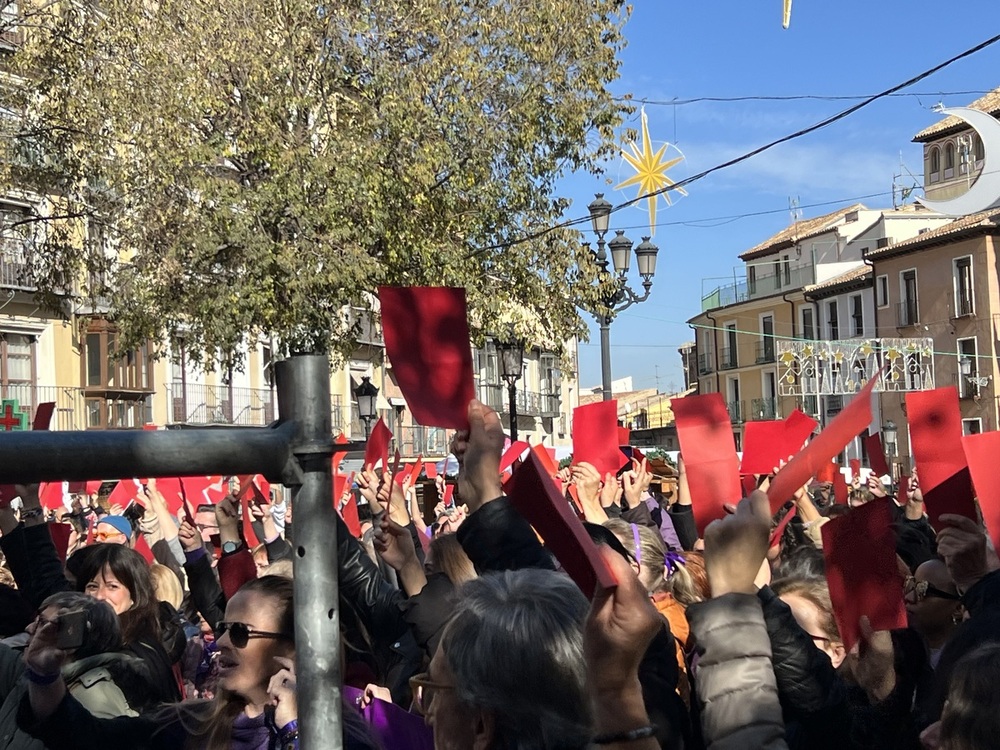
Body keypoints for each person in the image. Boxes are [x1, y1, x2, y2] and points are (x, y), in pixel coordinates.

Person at [16, 575, 381, 749]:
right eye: (222, 628)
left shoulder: (345, 738)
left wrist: (293, 733)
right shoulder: (187, 724)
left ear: (296, 650)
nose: (220, 642)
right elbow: (88, 740)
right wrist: (45, 674)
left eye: (240, 632)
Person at [0, 591, 148, 750]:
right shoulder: (33, 677)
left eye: (43, 623)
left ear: (71, 640)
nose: (29, 628)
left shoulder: (95, 700)